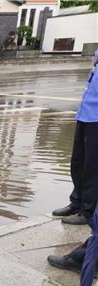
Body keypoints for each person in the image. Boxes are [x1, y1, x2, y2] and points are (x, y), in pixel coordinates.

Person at [52, 50, 98, 225]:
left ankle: (88, 210)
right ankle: (77, 201)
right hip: (86, 113)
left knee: (92, 167)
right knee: (78, 162)